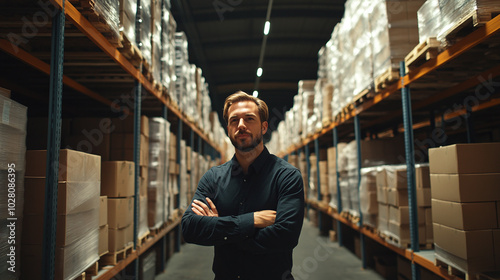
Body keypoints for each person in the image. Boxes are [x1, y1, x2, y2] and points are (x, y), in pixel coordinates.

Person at [181, 91, 305, 280]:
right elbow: (190, 228)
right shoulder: (213, 178)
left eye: (249, 119)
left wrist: (219, 228)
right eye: (234, 120)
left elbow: (285, 236)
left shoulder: (286, 176)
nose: (241, 125)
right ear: (228, 129)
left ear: (264, 127)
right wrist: (252, 221)